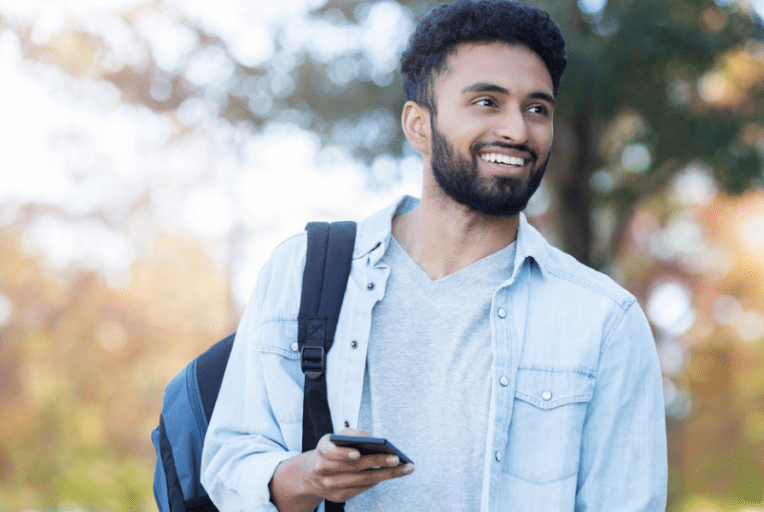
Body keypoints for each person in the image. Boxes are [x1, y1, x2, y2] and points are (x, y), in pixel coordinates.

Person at [200, 0, 667, 510]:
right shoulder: (304, 271)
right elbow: (228, 463)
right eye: (487, 102)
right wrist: (306, 476)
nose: (517, 130)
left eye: (537, 109)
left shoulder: (604, 320)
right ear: (419, 125)